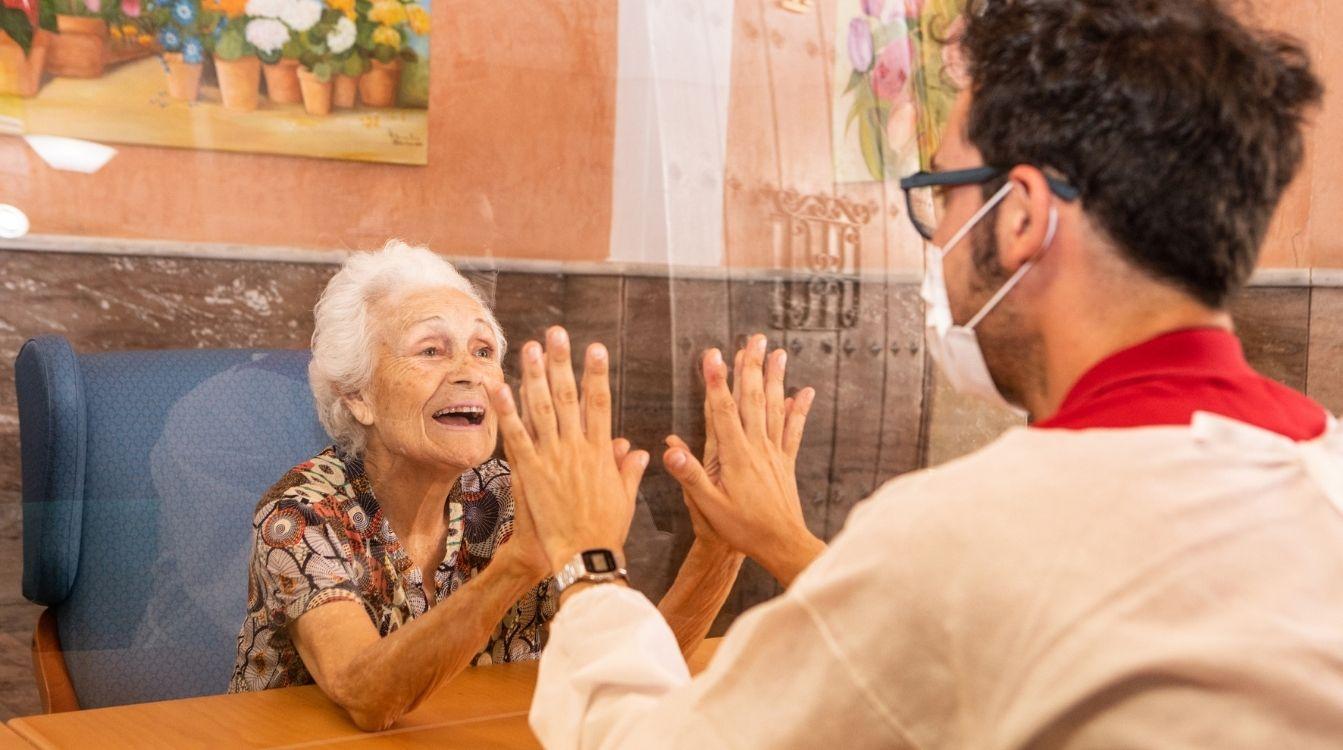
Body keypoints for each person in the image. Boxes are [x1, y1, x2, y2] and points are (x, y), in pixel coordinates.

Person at [489, 1, 1343, 747]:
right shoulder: (1325, 469)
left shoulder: (974, 532)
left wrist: (586, 559)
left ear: (1020, 219)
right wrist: (785, 543)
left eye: (939, 194)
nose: (934, 244)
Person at [228, 241, 745, 731]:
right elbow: (366, 695)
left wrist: (720, 548)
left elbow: (631, 673)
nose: (469, 373)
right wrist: (517, 565)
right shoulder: (302, 513)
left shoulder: (509, 493)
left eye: (482, 351)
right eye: (431, 350)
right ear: (358, 396)